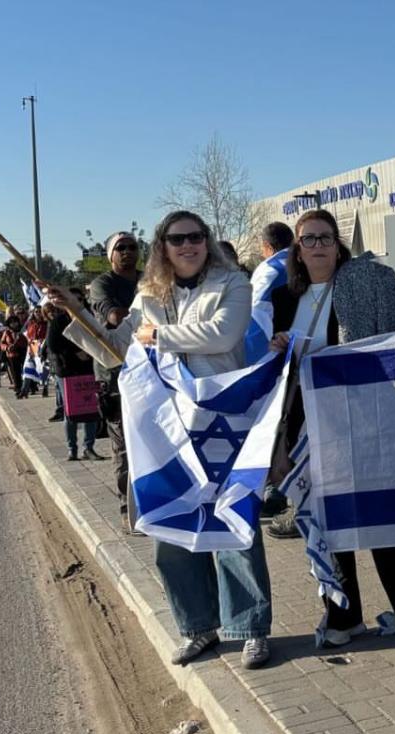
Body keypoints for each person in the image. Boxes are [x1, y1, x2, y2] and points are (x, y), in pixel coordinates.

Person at [45, 211, 273, 670]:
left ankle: (249, 627)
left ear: (206, 241)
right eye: (177, 239)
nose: (188, 245)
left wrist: (158, 336)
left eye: (195, 236)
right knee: (172, 526)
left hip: (220, 421)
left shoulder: (232, 283)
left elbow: (223, 334)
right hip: (166, 428)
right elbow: (116, 347)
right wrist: (75, 310)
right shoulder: (149, 293)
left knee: (232, 522)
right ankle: (198, 626)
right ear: (163, 246)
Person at [267, 209, 395, 647]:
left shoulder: (366, 283)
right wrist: (278, 348)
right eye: (309, 239)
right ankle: (343, 617)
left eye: (326, 237)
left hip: (369, 418)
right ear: (297, 249)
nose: (318, 246)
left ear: (338, 244)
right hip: (311, 426)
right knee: (328, 518)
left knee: (387, 512)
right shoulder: (284, 299)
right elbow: (276, 372)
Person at [87, 231, 141, 527]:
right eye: (121, 248)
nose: (127, 251)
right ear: (111, 255)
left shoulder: (148, 280)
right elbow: (114, 317)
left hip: (150, 372)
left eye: (132, 246)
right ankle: (127, 508)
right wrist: (148, 315)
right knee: (123, 447)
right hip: (115, 377)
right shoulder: (102, 285)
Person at [250, 221, 294, 521]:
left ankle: (274, 490)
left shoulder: (268, 270)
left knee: (276, 425)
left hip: (276, 357)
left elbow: (256, 320)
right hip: (308, 353)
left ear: (266, 247)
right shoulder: (305, 263)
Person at [45, 291, 100, 461]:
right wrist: (75, 352)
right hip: (67, 371)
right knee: (71, 412)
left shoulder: (89, 318)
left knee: (91, 409)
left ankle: (88, 448)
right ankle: (72, 449)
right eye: (73, 299)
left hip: (88, 369)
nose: (77, 302)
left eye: (80, 299)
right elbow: (53, 345)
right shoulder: (59, 320)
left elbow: (100, 337)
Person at [0, 315, 27, 397]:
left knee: (26, 370)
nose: (14, 324)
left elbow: (26, 341)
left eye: (15, 322)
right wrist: (7, 347)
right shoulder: (7, 332)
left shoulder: (22, 331)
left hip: (22, 353)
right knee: (15, 373)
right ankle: (18, 388)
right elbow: (2, 343)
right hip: (12, 355)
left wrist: (19, 340)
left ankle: (30, 386)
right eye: (11, 322)